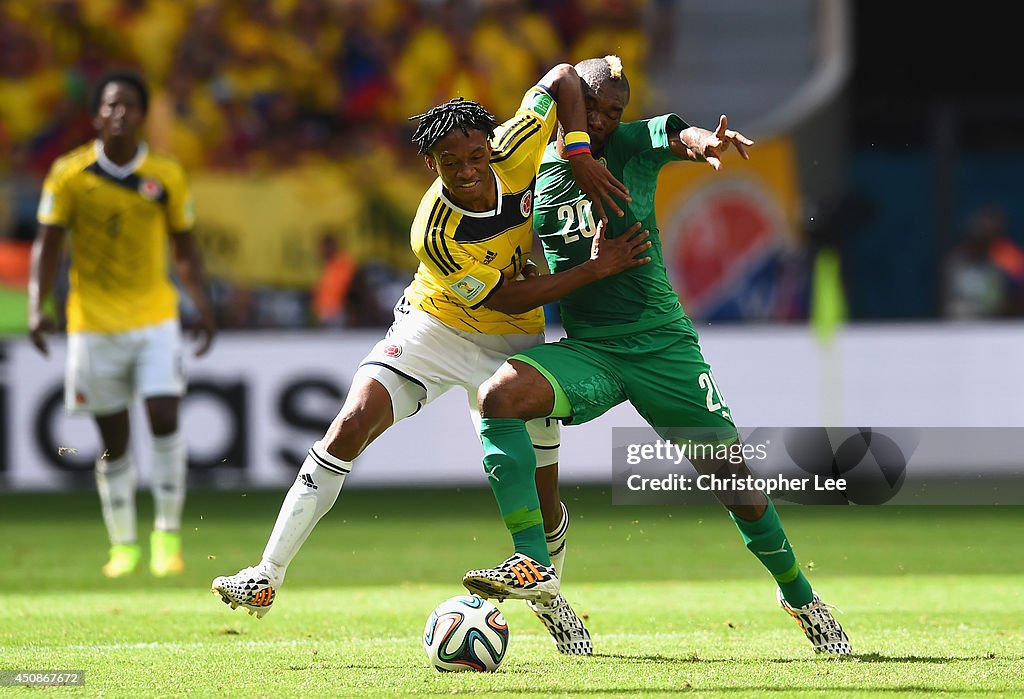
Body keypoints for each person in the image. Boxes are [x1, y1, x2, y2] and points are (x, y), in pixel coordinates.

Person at [211, 62, 651, 656]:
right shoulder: (435, 233)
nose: (467, 171)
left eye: (475, 156)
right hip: (434, 329)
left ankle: (551, 599)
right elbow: (506, 293)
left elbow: (568, 76)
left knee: (544, 493)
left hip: (514, 345)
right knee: (349, 423)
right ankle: (267, 574)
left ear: (491, 146)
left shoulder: (519, 144)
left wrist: (575, 150)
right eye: (451, 162)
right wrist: (592, 269)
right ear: (432, 165)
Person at [461, 56, 852, 656]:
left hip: (661, 348)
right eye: (596, 109)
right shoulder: (536, 165)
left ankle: (800, 596)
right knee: (500, 397)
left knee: (736, 484)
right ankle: (532, 566)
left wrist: (706, 142)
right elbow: (553, 85)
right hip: (592, 350)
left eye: (615, 112)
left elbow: (675, 133)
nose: (606, 121)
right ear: (574, 104)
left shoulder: (630, 145)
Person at [28, 69, 217, 578]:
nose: (119, 114)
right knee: (114, 439)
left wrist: (201, 304)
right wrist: (36, 304)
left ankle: (167, 537)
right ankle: (124, 545)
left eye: (129, 106)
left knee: (164, 416)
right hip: (91, 324)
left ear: (141, 115)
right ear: (96, 115)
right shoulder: (69, 174)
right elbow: (48, 244)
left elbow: (186, 248)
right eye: (110, 106)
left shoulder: (166, 176)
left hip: (155, 317)